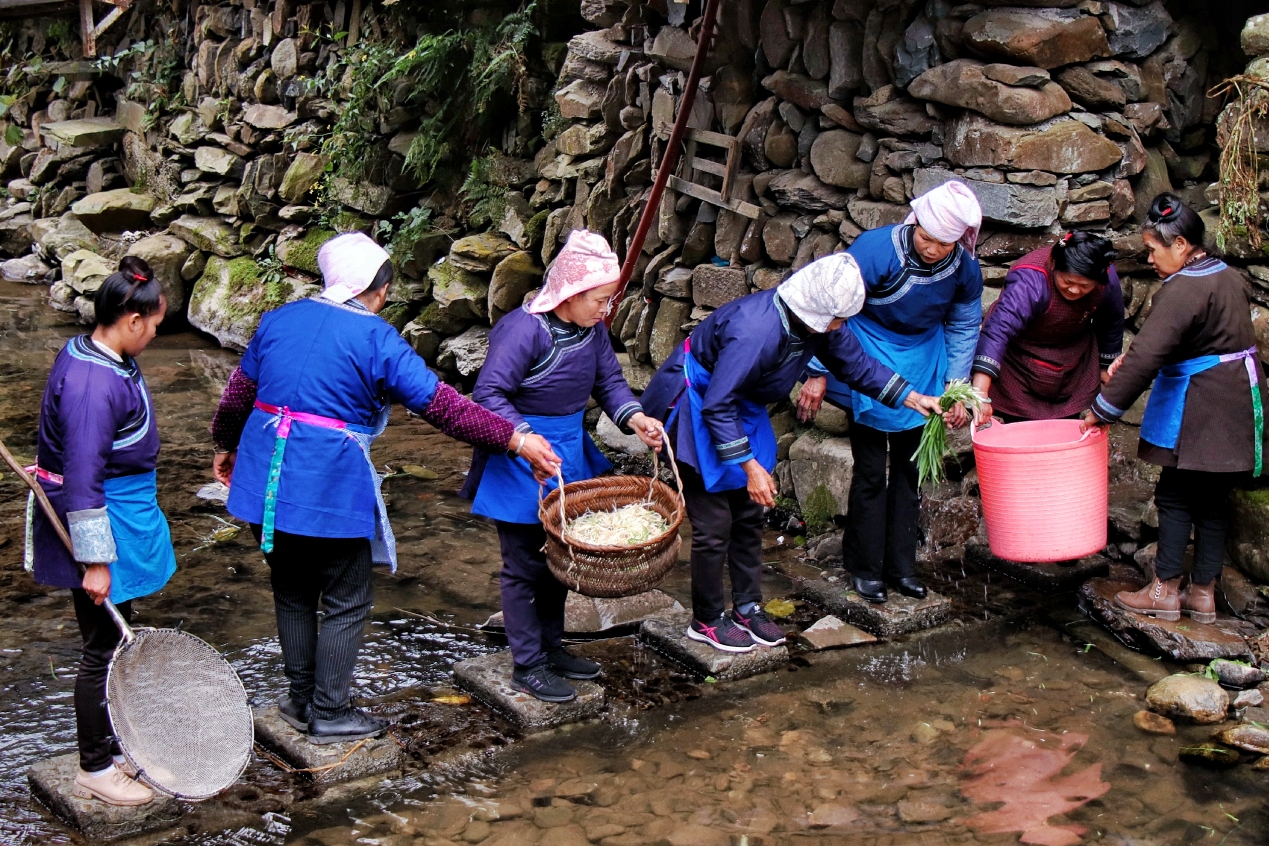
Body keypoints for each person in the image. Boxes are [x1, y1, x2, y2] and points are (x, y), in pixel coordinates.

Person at [210, 233, 560, 744]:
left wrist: (224, 443)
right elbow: (441, 405)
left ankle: (300, 698)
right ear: (378, 289)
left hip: (266, 474)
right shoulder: (376, 339)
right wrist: (514, 438)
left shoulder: (280, 320)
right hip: (325, 481)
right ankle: (329, 712)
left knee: (293, 589)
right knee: (348, 595)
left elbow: (239, 392)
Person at [642, 253, 947, 652]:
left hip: (742, 408)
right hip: (698, 407)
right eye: (838, 320)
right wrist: (749, 465)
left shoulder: (819, 323)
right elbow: (718, 404)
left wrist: (910, 397)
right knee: (715, 525)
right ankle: (707, 618)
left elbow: (856, 365)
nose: (841, 327)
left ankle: (748, 607)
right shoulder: (756, 331)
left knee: (751, 515)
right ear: (817, 311)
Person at [464, 231, 666, 703]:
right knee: (522, 565)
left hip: (568, 451)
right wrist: (524, 438)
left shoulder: (591, 330)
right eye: (599, 299)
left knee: (562, 558)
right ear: (570, 296)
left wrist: (636, 418)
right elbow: (489, 394)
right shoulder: (524, 329)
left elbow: (610, 382)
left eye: (608, 299)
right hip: (521, 454)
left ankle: (553, 648)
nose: (605, 308)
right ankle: (527, 664)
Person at [27, 256, 176, 807]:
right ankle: (94, 766)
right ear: (132, 320)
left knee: (111, 641)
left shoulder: (94, 353)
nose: (156, 334)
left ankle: (112, 750)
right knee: (102, 647)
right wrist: (95, 560)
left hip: (118, 512)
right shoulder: (95, 384)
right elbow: (84, 476)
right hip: (99, 520)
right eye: (156, 325)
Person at [795, 181, 984, 605]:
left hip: (924, 363)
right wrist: (819, 370)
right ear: (914, 223)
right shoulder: (876, 250)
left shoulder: (965, 270)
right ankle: (864, 568)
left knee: (909, 471)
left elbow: (965, 325)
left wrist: (954, 388)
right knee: (869, 470)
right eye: (925, 237)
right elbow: (834, 310)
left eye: (943, 243)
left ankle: (902, 568)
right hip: (868, 355)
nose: (932, 248)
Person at [1083, 194, 1267, 624]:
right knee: (1213, 500)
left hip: (1203, 403)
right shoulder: (1224, 275)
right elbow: (1204, 338)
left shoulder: (1184, 288)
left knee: (1175, 494)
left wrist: (1102, 409)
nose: (1149, 258)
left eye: (1153, 249)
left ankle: (1163, 591)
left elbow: (1148, 354)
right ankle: (1202, 594)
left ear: (1181, 244)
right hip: (1236, 397)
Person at [970, 231, 1125, 423]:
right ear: (1054, 265)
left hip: (1073, 362)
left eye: (1084, 286)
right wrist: (980, 392)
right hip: (1020, 365)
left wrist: (1105, 368)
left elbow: (1112, 322)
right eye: (1068, 281)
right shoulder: (1030, 278)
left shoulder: (1106, 280)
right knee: (1022, 437)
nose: (1075, 290)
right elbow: (998, 331)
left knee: (1066, 433)